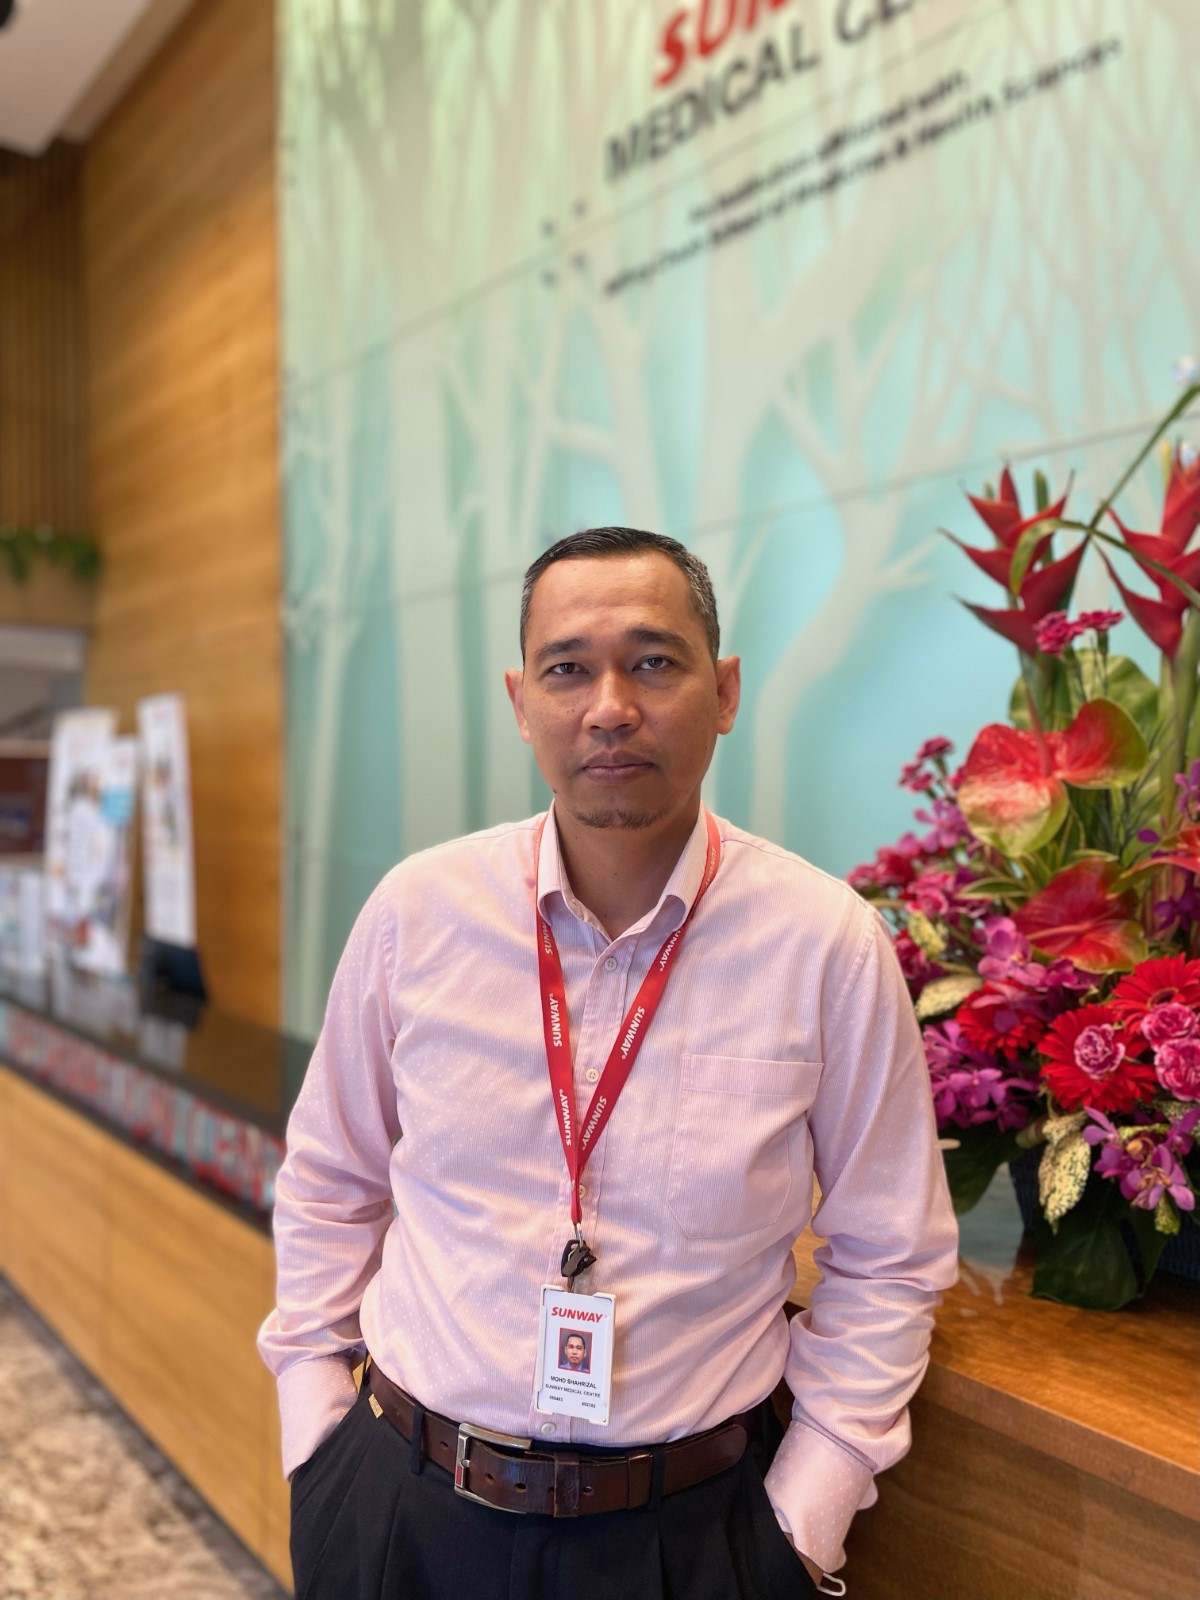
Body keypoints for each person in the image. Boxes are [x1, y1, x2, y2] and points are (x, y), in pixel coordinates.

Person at [259, 526, 959, 1600]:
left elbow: (891, 1254)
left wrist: (804, 1520)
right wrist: (316, 1436)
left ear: (724, 690)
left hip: (688, 1538)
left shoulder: (824, 944)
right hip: (403, 1509)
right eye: (568, 667)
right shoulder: (417, 914)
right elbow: (330, 1180)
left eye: (654, 661)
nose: (610, 705)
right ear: (520, 698)